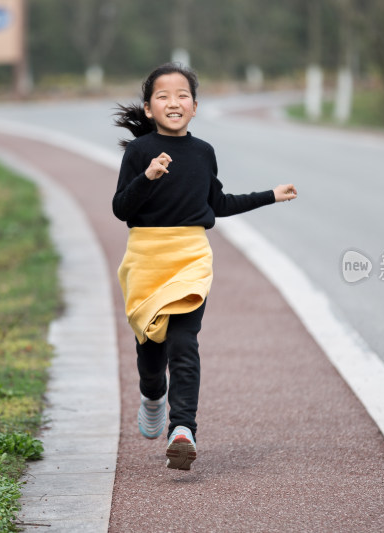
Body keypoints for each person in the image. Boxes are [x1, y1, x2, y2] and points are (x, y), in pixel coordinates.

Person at [112, 63, 297, 470]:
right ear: (148, 108)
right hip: (146, 259)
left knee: (183, 343)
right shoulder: (141, 152)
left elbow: (217, 204)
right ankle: (151, 394)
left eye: (182, 96)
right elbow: (121, 209)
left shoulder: (203, 153)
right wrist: (147, 177)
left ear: (194, 106)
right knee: (151, 352)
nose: (173, 102)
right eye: (163, 96)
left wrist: (271, 194)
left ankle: (183, 430)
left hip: (191, 256)